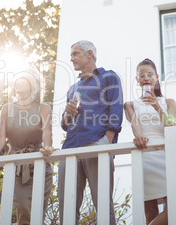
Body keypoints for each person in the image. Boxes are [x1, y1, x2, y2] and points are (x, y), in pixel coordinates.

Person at [0, 71, 54, 225]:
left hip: (40, 168)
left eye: (23, 88)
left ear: (32, 88)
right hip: (17, 168)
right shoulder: (7, 108)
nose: (20, 92)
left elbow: (47, 132)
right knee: (23, 210)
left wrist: (48, 147)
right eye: (17, 88)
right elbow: (1, 136)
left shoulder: (43, 108)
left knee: (37, 217)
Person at [57, 40, 123, 225]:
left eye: (75, 53)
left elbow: (116, 111)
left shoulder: (109, 77)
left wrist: (106, 143)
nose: (71, 58)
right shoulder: (73, 88)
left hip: (96, 144)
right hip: (70, 148)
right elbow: (64, 124)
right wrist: (67, 114)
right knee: (66, 208)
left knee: (102, 205)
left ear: (89, 54)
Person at [124, 58, 176, 225]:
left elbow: (171, 127)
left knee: (175, 207)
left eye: (150, 74)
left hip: (166, 155)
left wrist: (157, 107)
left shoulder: (168, 102)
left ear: (157, 77)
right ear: (137, 80)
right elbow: (136, 127)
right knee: (150, 211)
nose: (146, 78)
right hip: (145, 155)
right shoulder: (130, 104)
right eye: (141, 75)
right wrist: (139, 137)